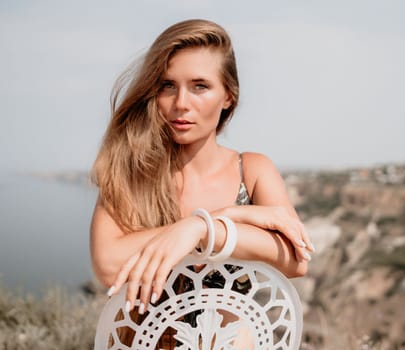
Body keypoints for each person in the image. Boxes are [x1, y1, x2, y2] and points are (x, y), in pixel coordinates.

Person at [90, 18, 313, 348]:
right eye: (167, 86)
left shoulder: (251, 170)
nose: (181, 103)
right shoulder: (132, 172)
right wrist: (230, 218)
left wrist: (203, 229)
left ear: (228, 97)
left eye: (200, 86)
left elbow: (297, 259)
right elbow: (108, 263)